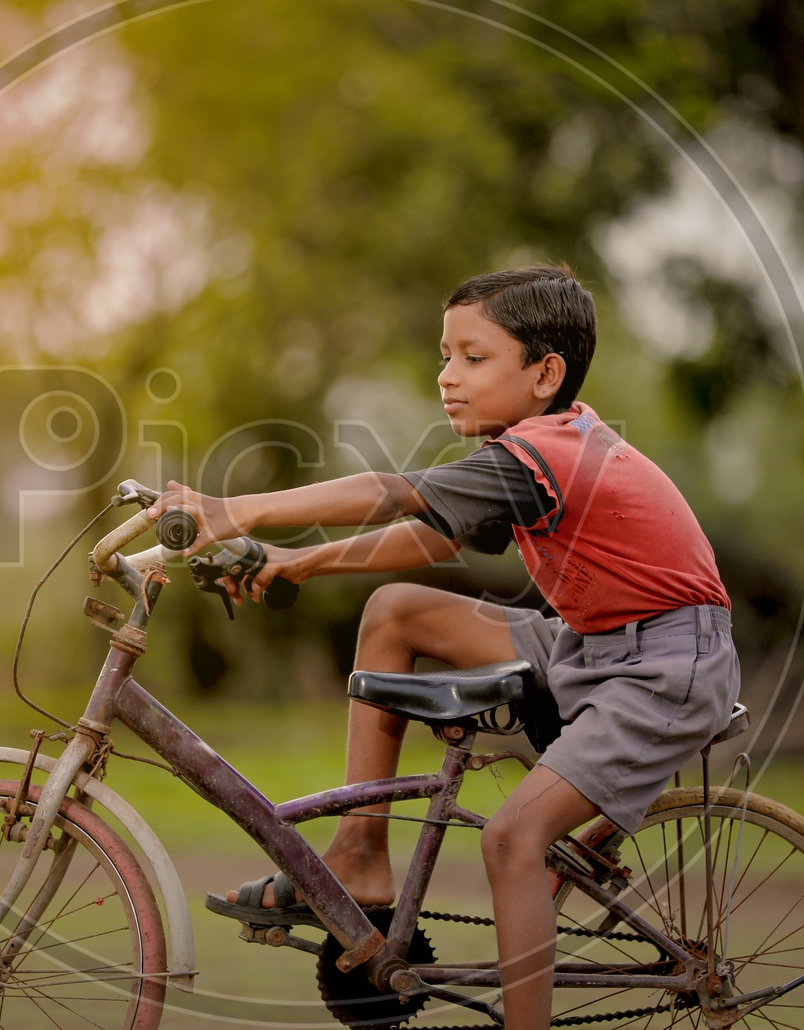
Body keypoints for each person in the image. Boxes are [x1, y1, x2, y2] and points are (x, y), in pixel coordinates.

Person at [147, 263, 739, 1030]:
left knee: (512, 840)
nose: (447, 376)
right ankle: (360, 860)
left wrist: (235, 510)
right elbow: (430, 535)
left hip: (665, 664)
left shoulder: (550, 451)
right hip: (589, 644)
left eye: (473, 356)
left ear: (544, 372)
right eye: (445, 355)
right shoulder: (530, 450)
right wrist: (302, 561)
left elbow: (395, 491)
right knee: (395, 611)